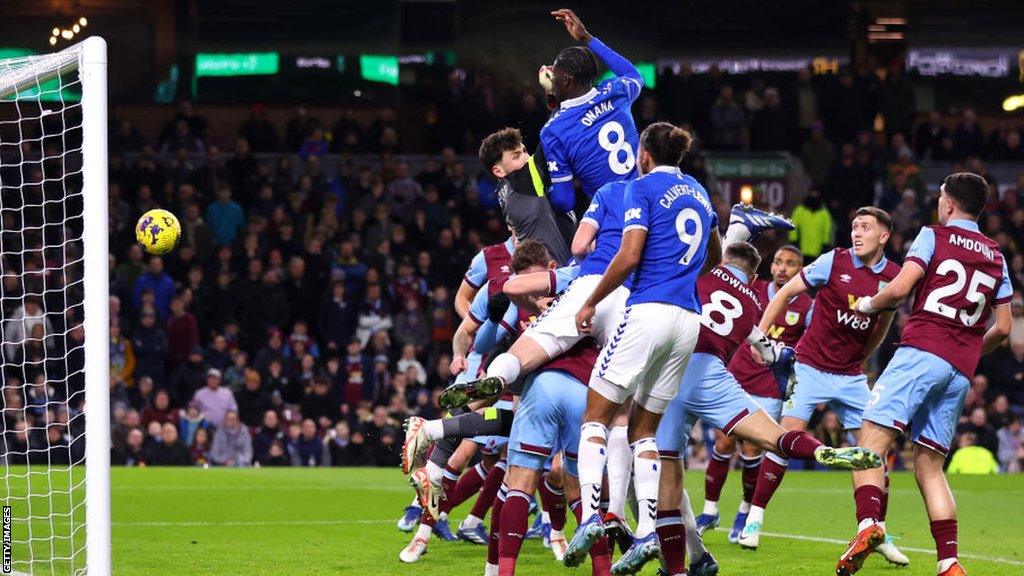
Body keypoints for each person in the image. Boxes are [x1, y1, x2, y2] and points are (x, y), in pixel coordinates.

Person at [635, 243, 880, 576]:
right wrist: (779, 358)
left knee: (669, 474)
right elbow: (767, 352)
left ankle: (672, 564)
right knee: (775, 438)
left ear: (722, 260)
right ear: (753, 274)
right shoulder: (751, 301)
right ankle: (822, 450)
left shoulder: (699, 275)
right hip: (715, 377)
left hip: (675, 371)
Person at [837, 172, 1012, 576]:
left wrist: (866, 305)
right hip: (959, 371)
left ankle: (868, 525)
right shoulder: (996, 254)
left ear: (949, 204)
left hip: (921, 351)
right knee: (929, 464)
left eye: (940, 198)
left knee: (870, 440)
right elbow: (1002, 327)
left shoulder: (935, 235)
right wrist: (967, 351)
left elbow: (899, 290)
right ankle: (949, 562)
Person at [561, 122, 718, 566]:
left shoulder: (640, 188)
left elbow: (628, 255)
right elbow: (716, 255)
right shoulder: (699, 192)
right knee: (644, 429)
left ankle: (592, 517)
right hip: (688, 319)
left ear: (644, 153)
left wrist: (591, 300)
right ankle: (649, 530)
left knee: (596, 414)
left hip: (648, 309)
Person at [736, 207, 909, 568]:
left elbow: (883, 322)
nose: (857, 232)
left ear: (884, 236)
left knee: (872, 451)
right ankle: (755, 517)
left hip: (851, 376)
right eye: (854, 226)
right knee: (786, 437)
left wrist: (863, 359)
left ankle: (874, 529)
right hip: (810, 367)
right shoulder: (834, 261)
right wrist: (760, 337)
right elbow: (783, 294)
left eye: (865, 227)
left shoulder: (894, 276)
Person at [695, 245, 812, 542]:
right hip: (737, 374)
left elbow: (809, 347)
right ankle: (710, 510)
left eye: (790, 264)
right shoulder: (752, 289)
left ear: (801, 270)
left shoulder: (806, 306)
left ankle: (745, 510)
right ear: (769, 267)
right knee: (723, 441)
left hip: (769, 385)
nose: (782, 268)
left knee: (751, 449)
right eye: (777, 262)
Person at [540, 9, 643, 213]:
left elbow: (564, 201)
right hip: (648, 201)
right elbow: (633, 74)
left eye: (556, 72)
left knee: (579, 247)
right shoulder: (616, 90)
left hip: (615, 217)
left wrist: (539, 196)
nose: (553, 74)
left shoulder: (552, 131)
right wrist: (587, 38)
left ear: (567, 80)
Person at [479, 127, 573, 265]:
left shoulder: (507, 192)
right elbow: (553, 134)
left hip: (548, 274)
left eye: (525, 151)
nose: (527, 158)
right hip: (557, 277)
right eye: (516, 156)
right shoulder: (520, 183)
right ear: (498, 171)